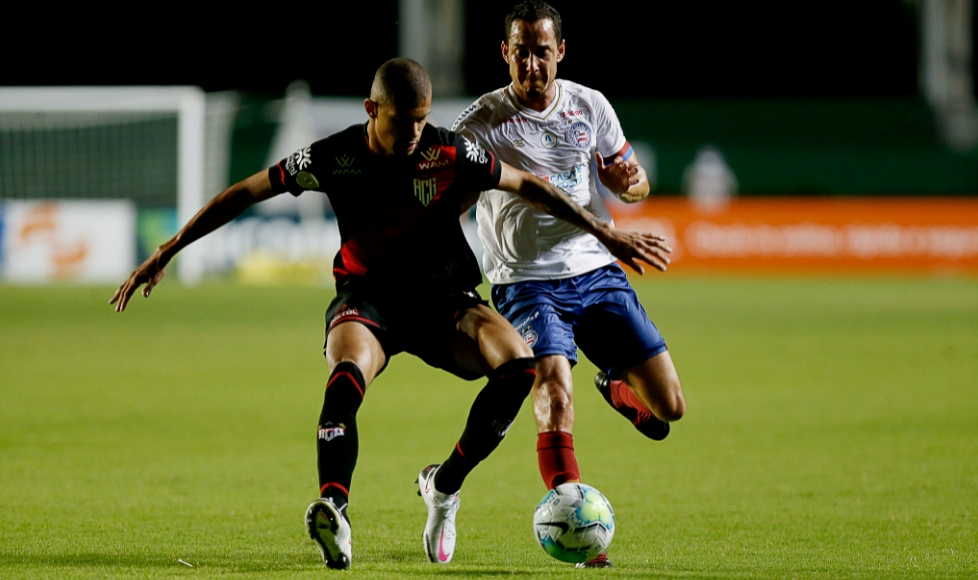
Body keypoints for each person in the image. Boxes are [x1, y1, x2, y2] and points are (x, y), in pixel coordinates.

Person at [110, 58, 670, 569]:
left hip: (445, 300)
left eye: (423, 121)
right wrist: (167, 250)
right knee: (346, 372)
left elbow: (528, 184)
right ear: (371, 110)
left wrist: (605, 232)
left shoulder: (448, 151)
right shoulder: (334, 156)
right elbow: (247, 191)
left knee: (520, 366)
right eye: (404, 122)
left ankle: (444, 486)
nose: (415, 134)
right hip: (368, 298)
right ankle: (334, 506)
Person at [452, 1, 687, 568]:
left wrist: (629, 185)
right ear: (505, 53)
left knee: (669, 411)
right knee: (554, 394)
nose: (532, 64)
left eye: (542, 51)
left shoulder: (590, 105)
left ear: (561, 52)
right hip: (526, 283)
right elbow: (449, 203)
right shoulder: (480, 124)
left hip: (597, 270)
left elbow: (633, 183)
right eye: (521, 51)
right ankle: (579, 531)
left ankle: (616, 386)